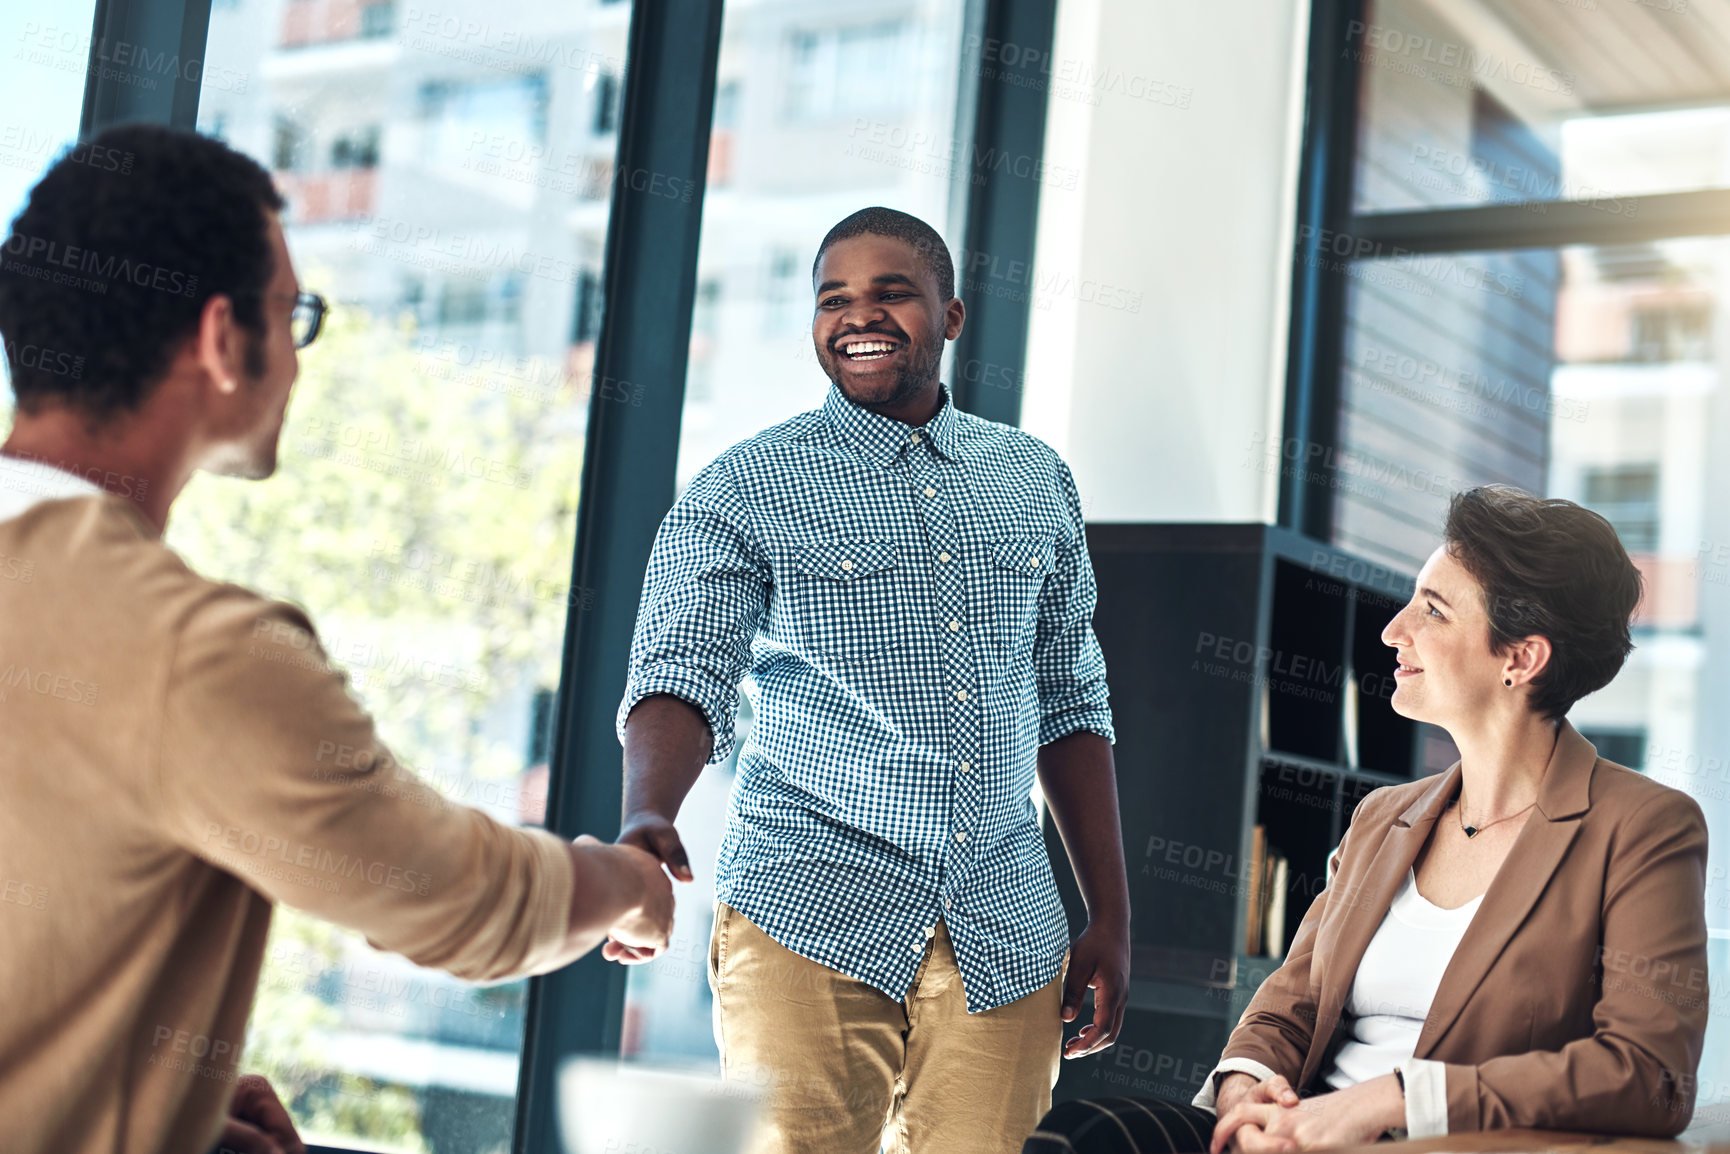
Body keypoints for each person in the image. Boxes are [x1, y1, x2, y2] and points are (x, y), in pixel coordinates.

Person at [0, 124, 674, 1154]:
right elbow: (455, 897)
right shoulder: (192, 646)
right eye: (294, 315)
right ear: (224, 337)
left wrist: (155, 1092)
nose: (299, 359)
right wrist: (629, 884)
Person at [610, 206, 1129, 1154]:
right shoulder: (745, 484)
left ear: (952, 314)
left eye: (893, 292)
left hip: (1006, 921)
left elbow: (1072, 704)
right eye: (834, 299)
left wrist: (1112, 916)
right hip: (808, 904)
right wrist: (652, 810)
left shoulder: (1034, 479)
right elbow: (682, 672)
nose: (861, 316)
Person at [1024, 486, 1710, 1153]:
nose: (1393, 630)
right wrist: (1245, 1097)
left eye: (1433, 611)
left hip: (1428, 1144)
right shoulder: (1384, 817)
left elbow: (1650, 1073)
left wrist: (1392, 1098)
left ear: (1522, 658)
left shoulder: (1643, 829)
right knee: (1081, 1136)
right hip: (1294, 1133)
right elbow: (1288, 1003)